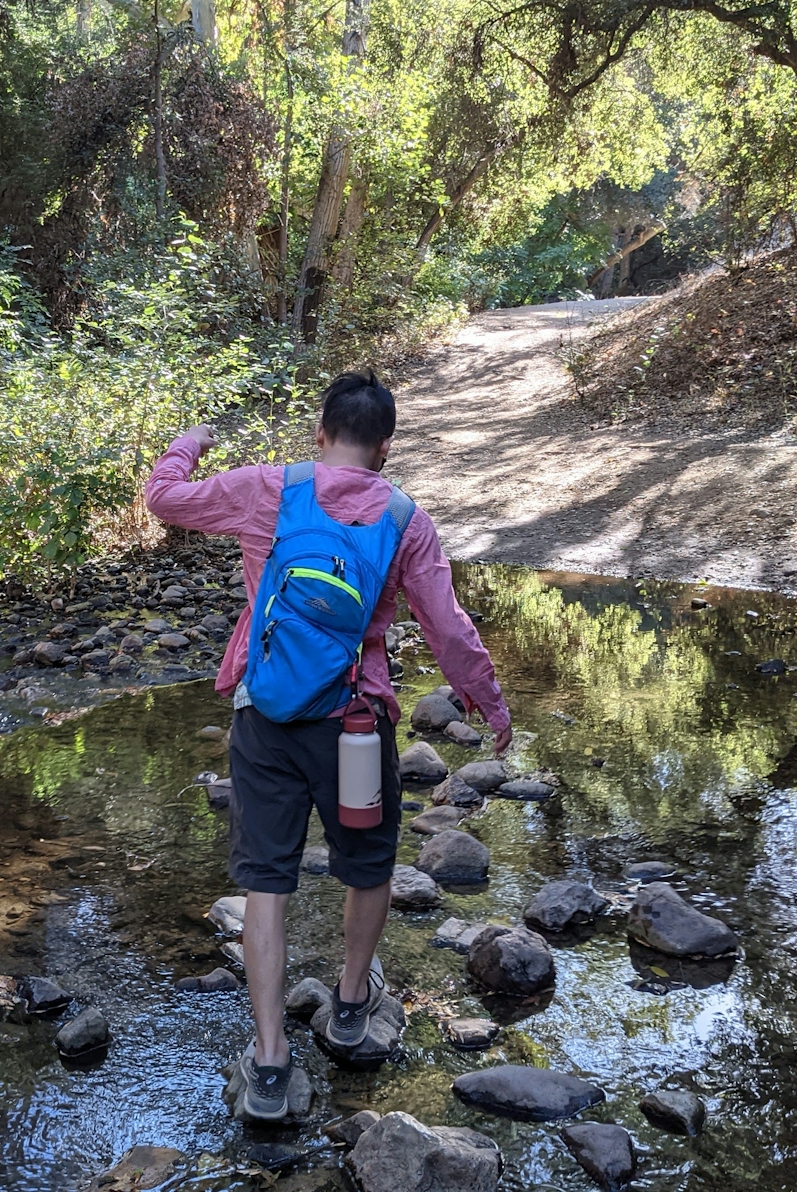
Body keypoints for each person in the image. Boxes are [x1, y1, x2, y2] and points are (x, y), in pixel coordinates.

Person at [145, 370, 512, 1120]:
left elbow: (165, 501)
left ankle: (272, 1057)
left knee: (267, 882)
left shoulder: (269, 487)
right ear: (385, 448)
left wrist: (187, 446)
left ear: (320, 434)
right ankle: (350, 1003)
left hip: (266, 717)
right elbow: (447, 626)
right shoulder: (407, 519)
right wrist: (489, 702)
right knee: (367, 863)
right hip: (353, 724)